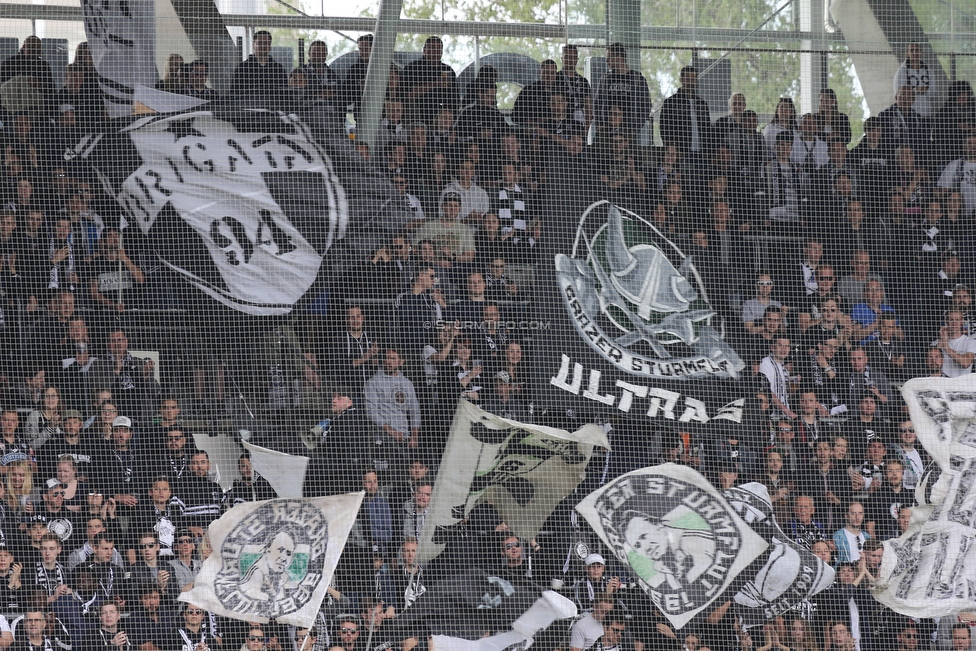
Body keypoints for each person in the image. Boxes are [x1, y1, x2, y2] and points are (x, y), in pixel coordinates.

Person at [593, 43, 651, 135]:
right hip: (607, 130)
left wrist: (635, 128)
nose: (607, 61)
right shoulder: (606, 79)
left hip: (629, 130)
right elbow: (597, 103)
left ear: (619, 57)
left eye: (609, 57)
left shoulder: (637, 79)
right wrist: (599, 124)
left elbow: (646, 105)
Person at [232, 30, 287, 101]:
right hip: (248, 108)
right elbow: (235, 92)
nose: (263, 46)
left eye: (266, 43)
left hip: (273, 108)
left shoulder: (278, 69)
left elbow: (285, 93)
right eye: (260, 43)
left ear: (270, 46)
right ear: (253, 45)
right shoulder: (242, 68)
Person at [935, 309, 976, 377]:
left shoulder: (971, 342)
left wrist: (946, 348)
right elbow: (932, 363)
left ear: (962, 321)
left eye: (957, 320)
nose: (954, 323)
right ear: (946, 321)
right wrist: (942, 339)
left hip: (962, 385)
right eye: (951, 320)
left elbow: (966, 363)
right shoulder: (937, 342)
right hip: (942, 385)